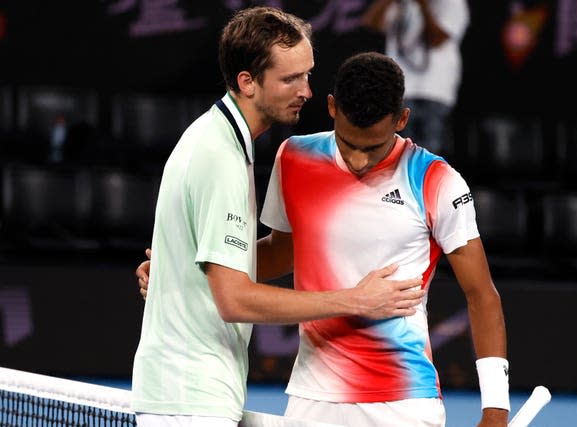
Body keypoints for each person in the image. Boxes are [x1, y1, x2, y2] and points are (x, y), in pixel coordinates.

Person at [138, 51, 509, 426]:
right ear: (331, 107)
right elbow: (279, 255)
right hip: (310, 396)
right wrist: (183, 270)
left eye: (373, 148)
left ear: (402, 119)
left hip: (402, 401)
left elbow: (481, 294)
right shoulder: (295, 157)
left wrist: (495, 410)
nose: (360, 161)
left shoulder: (437, 181)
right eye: (350, 144)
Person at [131, 8, 425, 427]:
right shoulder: (220, 158)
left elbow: (249, 260)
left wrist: (177, 272)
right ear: (247, 82)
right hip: (190, 400)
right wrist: (354, 300)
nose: (306, 90)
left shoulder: (217, 139)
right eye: (290, 79)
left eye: (307, 74)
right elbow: (234, 299)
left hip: (189, 395)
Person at [361, 0, 469, 155]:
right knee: (397, 157)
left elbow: (437, 39)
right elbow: (371, 22)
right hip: (400, 91)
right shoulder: (403, 4)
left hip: (435, 91)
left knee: (429, 156)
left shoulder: (452, 3)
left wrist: (423, 5)